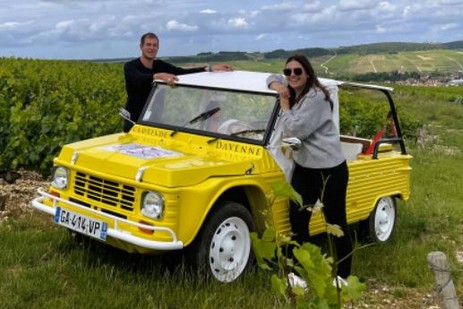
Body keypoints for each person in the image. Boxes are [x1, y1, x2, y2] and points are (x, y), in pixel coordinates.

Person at [266, 54, 353, 284]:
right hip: (305, 167)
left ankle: (343, 276)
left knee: (335, 222)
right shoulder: (295, 88)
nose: (291, 76)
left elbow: (295, 130)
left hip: (329, 169)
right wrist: (278, 85)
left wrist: (284, 103)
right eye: (288, 72)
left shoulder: (315, 97)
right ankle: (297, 273)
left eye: (297, 71)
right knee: (297, 219)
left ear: (307, 73)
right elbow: (271, 76)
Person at [123, 32, 233, 132]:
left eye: (155, 45)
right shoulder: (130, 66)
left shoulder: (159, 65)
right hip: (134, 121)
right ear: (141, 47)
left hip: (155, 121)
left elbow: (181, 72)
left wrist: (209, 68)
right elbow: (138, 79)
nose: (151, 48)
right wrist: (158, 76)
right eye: (148, 44)